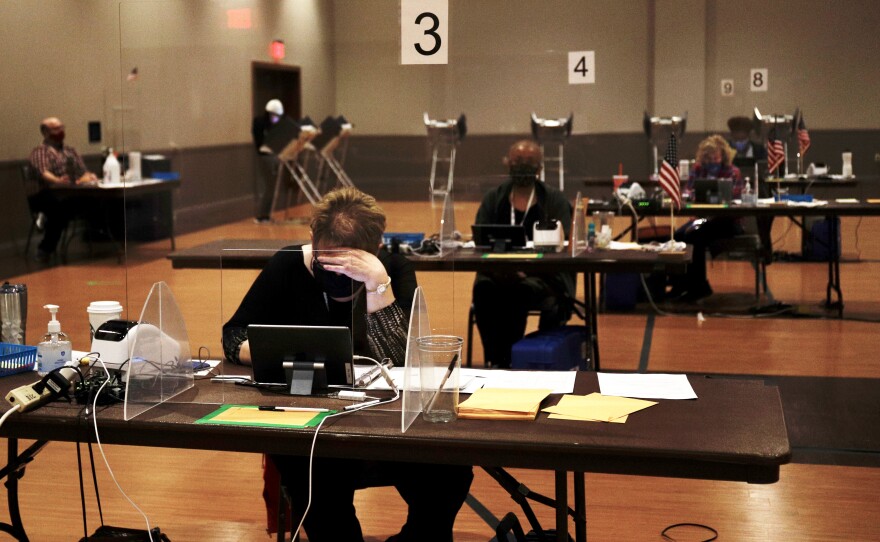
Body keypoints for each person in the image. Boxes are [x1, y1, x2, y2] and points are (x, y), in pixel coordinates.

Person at [222, 187, 473, 542]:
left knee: (451, 473)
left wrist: (378, 287)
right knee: (316, 482)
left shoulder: (394, 270)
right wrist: (272, 353)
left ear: (376, 249)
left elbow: (405, 360)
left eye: (349, 263)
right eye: (327, 261)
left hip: (384, 425)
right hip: (311, 427)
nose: (336, 273)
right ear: (313, 239)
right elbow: (233, 335)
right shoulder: (287, 265)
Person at [472, 139, 575, 368]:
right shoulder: (493, 199)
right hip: (496, 273)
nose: (522, 166)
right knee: (483, 289)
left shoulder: (554, 200)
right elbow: (479, 243)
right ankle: (496, 360)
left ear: (539, 167)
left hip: (542, 276)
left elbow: (565, 244)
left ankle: (512, 359)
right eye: (518, 160)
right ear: (507, 163)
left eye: (529, 161)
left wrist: (525, 271)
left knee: (518, 292)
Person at [670, 135, 744, 302]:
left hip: (727, 222)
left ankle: (699, 287)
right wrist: (692, 195)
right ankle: (680, 284)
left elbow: (737, 200)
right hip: (703, 219)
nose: (712, 162)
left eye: (715, 158)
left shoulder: (733, 172)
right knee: (678, 236)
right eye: (708, 158)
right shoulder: (698, 170)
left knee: (694, 236)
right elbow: (687, 191)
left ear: (723, 156)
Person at [28, 116, 98, 262]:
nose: (60, 131)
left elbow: (83, 172)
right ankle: (45, 249)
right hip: (46, 194)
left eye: (61, 128)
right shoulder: (40, 151)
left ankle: (100, 239)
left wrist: (87, 177)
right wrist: (57, 181)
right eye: (55, 129)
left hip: (70, 192)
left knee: (96, 201)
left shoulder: (70, 151)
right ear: (45, 132)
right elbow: (43, 172)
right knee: (58, 211)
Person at [251, 99, 285, 223]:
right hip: (264, 158)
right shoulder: (259, 123)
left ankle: (267, 214)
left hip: (271, 157)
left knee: (272, 187)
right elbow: (260, 144)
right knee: (268, 187)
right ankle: (262, 215)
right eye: (274, 116)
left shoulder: (274, 126)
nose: (276, 118)